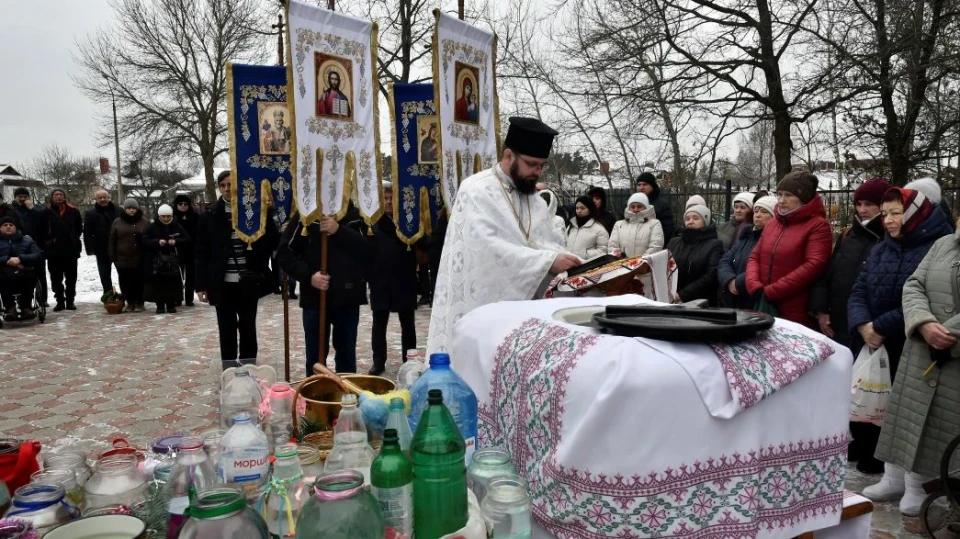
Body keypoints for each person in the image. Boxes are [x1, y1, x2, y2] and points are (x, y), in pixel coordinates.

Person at [427, 117, 578, 354]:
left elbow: (545, 243)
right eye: (531, 164)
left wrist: (569, 262)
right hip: (482, 312)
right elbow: (487, 250)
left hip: (526, 315)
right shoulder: (476, 190)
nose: (537, 172)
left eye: (541, 166)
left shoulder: (535, 201)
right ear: (508, 156)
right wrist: (547, 261)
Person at [846, 187, 952, 475]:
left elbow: (922, 298)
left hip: (906, 340)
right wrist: (862, 324)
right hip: (872, 337)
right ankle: (867, 447)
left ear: (915, 214)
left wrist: (879, 326)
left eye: (896, 213)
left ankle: (890, 464)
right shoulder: (882, 247)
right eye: (885, 213)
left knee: (897, 406)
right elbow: (859, 289)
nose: (888, 220)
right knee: (869, 393)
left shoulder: (934, 247)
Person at [862, 217, 960, 517]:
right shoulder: (944, 244)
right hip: (920, 346)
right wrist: (923, 322)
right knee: (904, 415)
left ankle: (920, 486)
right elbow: (914, 284)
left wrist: (948, 333)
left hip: (950, 355)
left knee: (936, 423)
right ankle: (893, 478)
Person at [196, 171, 278, 369]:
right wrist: (200, 285)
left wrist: (267, 213)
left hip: (248, 280)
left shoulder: (253, 211)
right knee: (226, 328)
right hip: (221, 282)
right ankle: (230, 367)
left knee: (248, 326)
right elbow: (200, 252)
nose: (226, 189)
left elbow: (272, 242)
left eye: (230, 184)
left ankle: (249, 365)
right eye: (222, 185)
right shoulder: (209, 215)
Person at [277, 205, 370, 376]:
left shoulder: (355, 215)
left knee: (346, 357)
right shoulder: (306, 214)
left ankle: (345, 398)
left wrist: (339, 230)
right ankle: (315, 399)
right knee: (315, 358)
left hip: (347, 298)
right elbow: (284, 253)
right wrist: (309, 276)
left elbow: (369, 250)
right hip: (314, 299)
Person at [809, 177, 890, 352]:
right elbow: (826, 274)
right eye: (859, 204)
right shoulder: (848, 235)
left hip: (870, 328)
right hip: (837, 323)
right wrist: (821, 309)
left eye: (869, 204)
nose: (862, 210)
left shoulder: (890, 239)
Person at [746, 171, 832, 327]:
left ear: (803, 198)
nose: (781, 200)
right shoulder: (773, 223)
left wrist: (774, 291)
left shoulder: (818, 225)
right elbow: (754, 256)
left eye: (788, 195)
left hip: (795, 308)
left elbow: (814, 265)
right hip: (763, 302)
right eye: (779, 194)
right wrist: (754, 284)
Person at [366, 182, 418, 376]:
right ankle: (378, 360)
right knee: (379, 322)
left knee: (408, 322)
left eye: (391, 199)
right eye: (385, 199)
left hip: (404, 279)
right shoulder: (373, 224)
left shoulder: (409, 223)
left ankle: (409, 360)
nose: (388, 202)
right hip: (380, 280)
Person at [718, 195, 775, 309]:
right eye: (756, 211)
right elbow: (725, 260)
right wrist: (729, 280)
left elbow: (762, 266)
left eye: (764, 212)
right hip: (733, 298)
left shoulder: (773, 240)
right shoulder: (746, 237)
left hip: (752, 298)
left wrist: (737, 283)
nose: (758, 215)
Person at [666, 204, 723, 305]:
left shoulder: (714, 245)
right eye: (687, 218)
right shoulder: (674, 242)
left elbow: (710, 276)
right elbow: (664, 267)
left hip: (701, 302)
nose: (690, 221)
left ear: (705, 221)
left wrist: (683, 295)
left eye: (695, 218)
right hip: (671, 298)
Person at [143, 204, 191, 314]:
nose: (166, 219)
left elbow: (187, 239)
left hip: (173, 261)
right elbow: (145, 241)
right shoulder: (152, 227)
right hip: (157, 261)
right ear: (159, 216)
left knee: (172, 284)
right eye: (163, 216)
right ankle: (159, 305)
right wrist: (157, 242)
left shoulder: (177, 226)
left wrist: (176, 242)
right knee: (158, 284)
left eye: (168, 216)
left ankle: (171, 304)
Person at [45, 188, 83, 311]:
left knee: (71, 277)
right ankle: (60, 300)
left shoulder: (73, 211)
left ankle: (70, 300)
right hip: (53, 249)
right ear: (51, 197)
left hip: (70, 249)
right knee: (55, 277)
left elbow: (78, 229)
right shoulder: (45, 211)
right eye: (56, 194)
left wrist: (73, 238)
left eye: (61, 194)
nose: (59, 196)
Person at [109, 198, 150, 312]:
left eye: (133, 208)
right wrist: (113, 257)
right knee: (125, 281)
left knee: (139, 280)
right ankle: (130, 302)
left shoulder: (144, 222)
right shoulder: (117, 222)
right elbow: (112, 240)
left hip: (139, 257)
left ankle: (140, 302)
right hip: (122, 258)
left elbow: (150, 238)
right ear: (125, 209)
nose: (131, 210)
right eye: (129, 208)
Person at [12, 187, 50, 304]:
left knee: (40, 273)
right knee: (18, 273)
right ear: (15, 197)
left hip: (36, 245)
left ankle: (42, 299)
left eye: (25, 196)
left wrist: (32, 210)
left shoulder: (37, 209)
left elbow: (44, 224)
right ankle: (20, 299)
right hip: (17, 245)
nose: (23, 199)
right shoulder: (11, 210)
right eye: (20, 197)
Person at [0, 216, 42, 321]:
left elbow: (37, 255)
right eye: (5, 225)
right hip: (3, 272)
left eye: (11, 225)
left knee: (30, 276)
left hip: (24, 270)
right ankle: (10, 308)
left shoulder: (27, 240)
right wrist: (7, 260)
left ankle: (26, 307)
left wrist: (20, 259)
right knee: (2, 279)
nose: (8, 227)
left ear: (16, 227)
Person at [84, 190, 120, 293]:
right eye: (100, 197)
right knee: (104, 274)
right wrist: (90, 249)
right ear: (96, 199)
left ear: (109, 198)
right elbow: (87, 233)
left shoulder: (118, 211)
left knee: (123, 273)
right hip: (101, 248)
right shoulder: (90, 213)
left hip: (118, 247)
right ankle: (108, 295)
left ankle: (127, 295)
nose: (103, 199)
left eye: (105, 197)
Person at [608, 192, 664, 258]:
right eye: (632, 206)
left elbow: (656, 245)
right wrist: (620, 261)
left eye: (639, 206)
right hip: (622, 266)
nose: (635, 209)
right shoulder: (619, 224)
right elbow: (612, 245)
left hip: (645, 265)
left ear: (645, 207)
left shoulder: (654, 224)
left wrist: (641, 262)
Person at [173, 195, 199, 306]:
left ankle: (189, 298)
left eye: (185, 204)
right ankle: (178, 297)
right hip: (177, 249)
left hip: (191, 249)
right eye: (180, 204)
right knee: (178, 274)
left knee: (190, 275)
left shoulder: (195, 216)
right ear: (176, 205)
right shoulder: (172, 217)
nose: (183, 206)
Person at [566, 195, 610, 260]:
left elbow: (603, 250)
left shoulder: (599, 229)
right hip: (568, 264)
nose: (578, 211)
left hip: (587, 266)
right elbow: (564, 243)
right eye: (577, 208)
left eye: (582, 208)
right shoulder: (571, 225)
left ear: (590, 209)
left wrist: (585, 254)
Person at [636, 172, 675, 240]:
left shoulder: (662, 205)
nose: (641, 188)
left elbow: (667, 231)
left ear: (652, 186)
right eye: (639, 185)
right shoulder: (631, 204)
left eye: (645, 184)